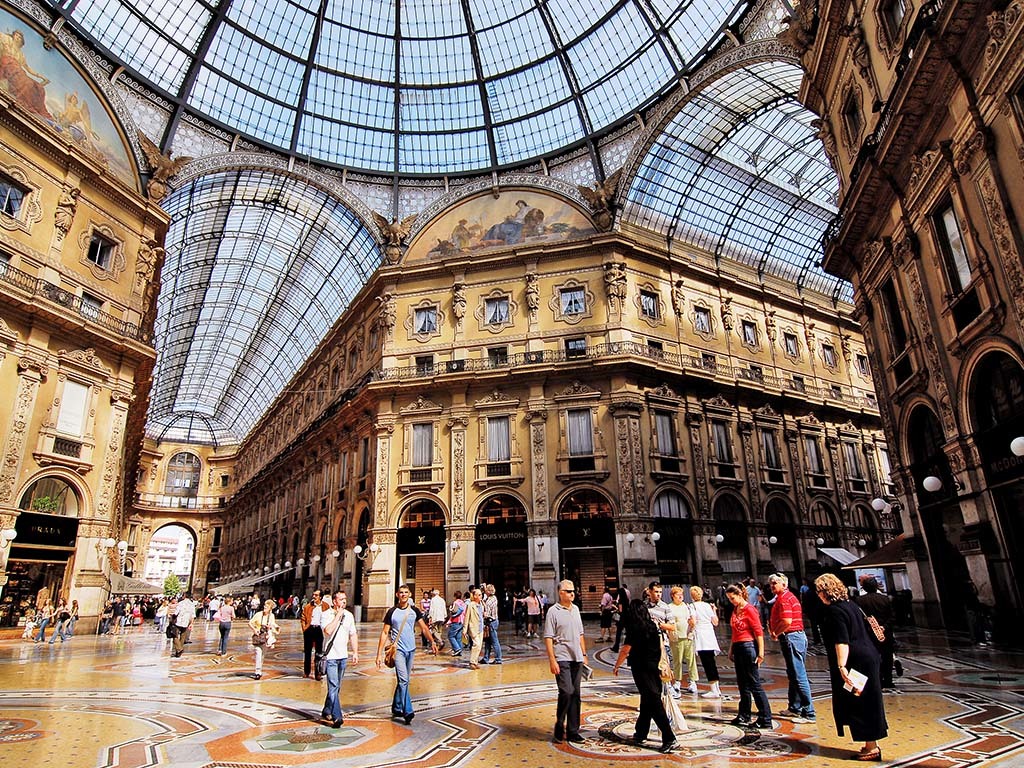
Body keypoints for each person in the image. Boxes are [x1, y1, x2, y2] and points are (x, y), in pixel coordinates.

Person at [815, 573, 888, 761]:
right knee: (867, 700)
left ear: (825, 592)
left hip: (856, 662)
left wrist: (841, 666)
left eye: (819, 591)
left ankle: (872, 747)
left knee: (861, 701)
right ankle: (871, 744)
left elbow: (842, 641)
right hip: (868, 656)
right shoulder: (852, 605)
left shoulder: (835, 611)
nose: (818, 595)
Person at [612, 599, 678, 753]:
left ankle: (669, 737)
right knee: (647, 700)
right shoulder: (653, 626)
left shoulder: (635, 628)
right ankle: (641, 732)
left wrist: (617, 665)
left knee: (653, 702)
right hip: (654, 667)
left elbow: (625, 649)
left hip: (641, 668)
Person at [375, 584, 438, 724]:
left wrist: (432, 642)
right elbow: (385, 632)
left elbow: (424, 627)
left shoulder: (414, 611)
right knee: (404, 680)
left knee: (404, 680)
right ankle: (408, 710)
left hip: (411, 650)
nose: (403, 595)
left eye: (406, 592)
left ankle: (396, 706)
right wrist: (378, 654)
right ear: (397, 595)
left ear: (409, 594)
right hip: (398, 651)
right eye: (401, 592)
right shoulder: (392, 612)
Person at [543, 579, 588, 744]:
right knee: (566, 691)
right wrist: (552, 660)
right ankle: (559, 723)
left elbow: (581, 633)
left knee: (576, 694)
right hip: (562, 657)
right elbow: (548, 637)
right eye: (569, 591)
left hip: (577, 657)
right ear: (560, 593)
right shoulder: (553, 612)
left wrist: (584, 653)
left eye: (573, 591)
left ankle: (573, 731)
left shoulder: (575, 609)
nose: (572, 593)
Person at [768, 572, 816, 722]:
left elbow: (787, 621)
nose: (771, 586)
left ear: (784, 584)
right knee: (794, 674)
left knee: (799, 675)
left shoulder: (784, 599)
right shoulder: (787, 597)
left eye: (775, 583)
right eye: (770, 584)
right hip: (794, 637)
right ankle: (795, 707)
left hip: (792, 637)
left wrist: (776, 632)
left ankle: (809, 713)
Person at [726, 583, 772, 729]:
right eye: (729, 599)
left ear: (740, 595)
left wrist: (761, 653)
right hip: (738, 647)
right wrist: (731, 649)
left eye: (732, 598)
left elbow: (758, 632)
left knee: (754, 683)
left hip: (748, 647)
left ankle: (765, 718)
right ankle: (744, 714)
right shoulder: (735, 609)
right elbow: (734, 632)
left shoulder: (750, 610)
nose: (731, 601)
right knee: (742, 684)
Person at [319, 591, 358, 728]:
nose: (344, 602)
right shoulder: (325, 615)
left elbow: (353, 635)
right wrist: (338, 616)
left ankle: (327, 709)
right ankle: (337, 716)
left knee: (336, 686)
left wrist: (355, 652)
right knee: (333, 685)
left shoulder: (350, 616)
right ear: (334, 602)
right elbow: (328, 631)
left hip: (343, 656)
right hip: (330, 657)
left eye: (345, 599)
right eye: (341, 599)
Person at [856, 576, 896, 690]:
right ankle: (888, 680)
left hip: (869, 634)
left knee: (873, 656)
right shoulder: (885, 599)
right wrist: (884, 627)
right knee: (887, 657)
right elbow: (892, 616)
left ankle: (876, 678)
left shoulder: (859, 600)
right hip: (885, 633)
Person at [691, 586, 723, 698]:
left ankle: (714, 689)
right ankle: (717, 688)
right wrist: (714, 610)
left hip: (701, 635)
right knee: (711, 662)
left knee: (707, 662)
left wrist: (689, 624)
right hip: (710, 635)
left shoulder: (692, 606)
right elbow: (715, 622)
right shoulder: (707, 605)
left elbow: (694, 622)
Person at [667, 586, 699, 695]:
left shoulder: (687, 606)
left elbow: (692, 618)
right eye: (678, 594)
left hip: (687, 635)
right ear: (673, 596)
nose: (680, 596)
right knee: (677, 660)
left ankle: (693, 681)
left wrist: (692, 624)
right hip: (676, 637)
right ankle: (677, 680)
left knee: (691, 659)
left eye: (682, 594)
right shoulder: (669, 607)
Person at [248, 599, 280, 679]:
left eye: (267, 607)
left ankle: (259, 669)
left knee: (262, 655)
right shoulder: (258, 614)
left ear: (270, 608)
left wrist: (275, 627)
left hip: (266, 637)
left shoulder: (271, 616)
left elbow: (272, 624)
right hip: (258, 636)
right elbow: (250, 623)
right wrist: (254, 630)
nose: (265, 607)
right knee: (258, 652)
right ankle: (257, 672)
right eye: (264, 606)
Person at [301, 590, 325, 679]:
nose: (314, 596)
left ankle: (318, 673)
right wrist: (304, 628)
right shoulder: (308, 606)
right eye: (314, 595)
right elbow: (303, 617)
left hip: (319, 629)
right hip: (309, 629)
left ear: (320, 597)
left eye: (316, 595)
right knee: (307, 652)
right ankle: (306, 672)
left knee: (319, 653)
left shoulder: (325, 606)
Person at [463, 587, 485, 669]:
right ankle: (472, 662)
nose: (480, 596)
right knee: (476, 644)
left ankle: (475, 661)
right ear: (474, 596)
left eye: (481, 595)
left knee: (479, 646)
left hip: (480, 628)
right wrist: (464, 629)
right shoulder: (470, 605)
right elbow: (466, 617)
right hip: (473, 628)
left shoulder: (481, 605)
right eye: (479, 595)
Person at [481, 584, 503, 664]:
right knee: (488, 641)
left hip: (491, 622)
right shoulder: (493, 598)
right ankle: (486, 658)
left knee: (494, 641)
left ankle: (498, 659)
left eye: (486, 590)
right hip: (494, 621)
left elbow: (486, 611)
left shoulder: (489, 600)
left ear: (489, 591)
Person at [172, 593, 197, 658]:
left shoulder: (180, 603)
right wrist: (191, 623)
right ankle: (179, 651)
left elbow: (176, 612)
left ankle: (179, 649)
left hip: (179, 621)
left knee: (174, 635)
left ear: (184, 596)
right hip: (187, 622)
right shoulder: (192, 604)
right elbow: (193, 615)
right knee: (183, 636)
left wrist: (172, 618)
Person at [611, 583, 631, 651]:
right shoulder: (627, 601)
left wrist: (616, 610)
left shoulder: (621, 601)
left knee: (619, 633)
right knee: (628, 633)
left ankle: (616, 646)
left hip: (622, 618)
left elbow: (620, 610)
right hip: (628, 618)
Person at [447, 590, 465, 656]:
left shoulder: (456, 603)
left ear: (455, 596)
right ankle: (459, 650)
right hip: (462, 621)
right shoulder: (463, 603)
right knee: (458, 637)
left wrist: (450, 610)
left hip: (456, 621)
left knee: (450, 636)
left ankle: (457, 649)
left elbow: (454, 611)